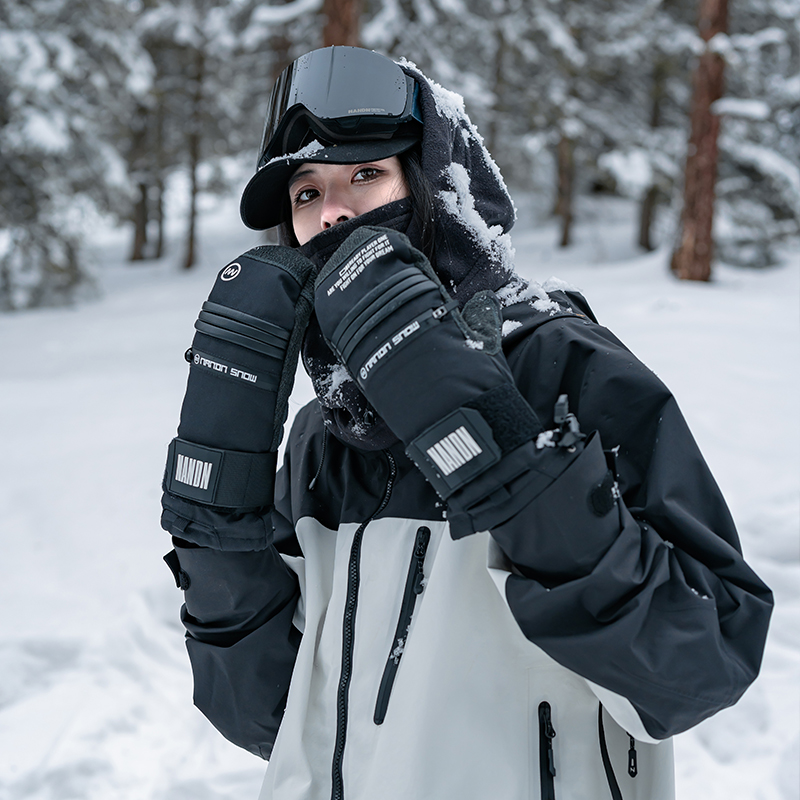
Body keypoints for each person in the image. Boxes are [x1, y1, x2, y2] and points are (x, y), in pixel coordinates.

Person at [161, 47, 773, 800]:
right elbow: (267, 717)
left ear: (436, 188)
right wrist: (216, 510)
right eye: (306, 193)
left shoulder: (559, 363)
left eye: (366, 174)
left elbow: (699, 667)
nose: (333, 212)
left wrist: (505, 461)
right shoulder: (324, 436)